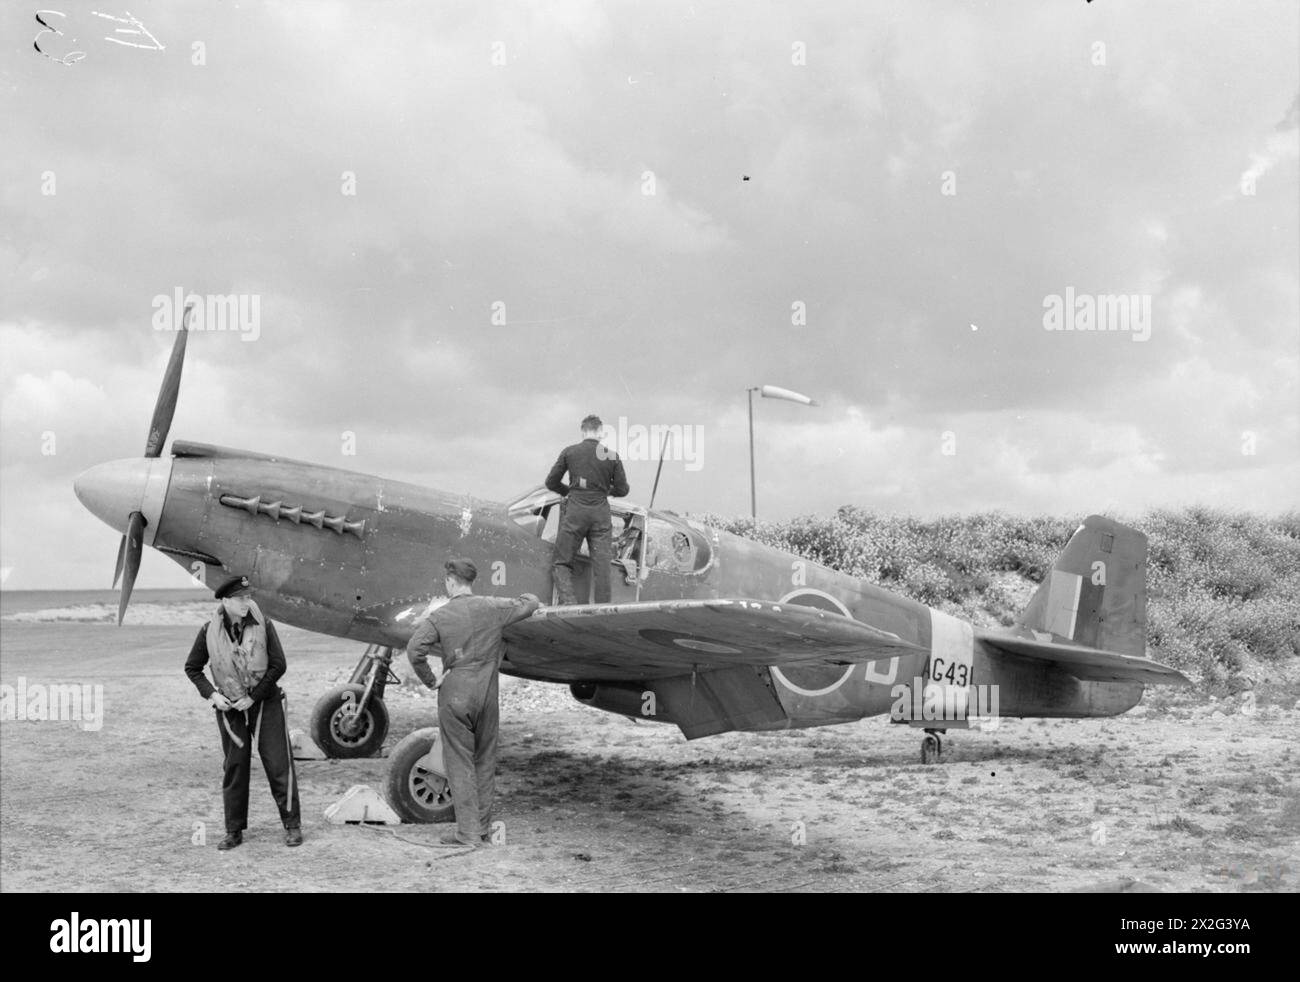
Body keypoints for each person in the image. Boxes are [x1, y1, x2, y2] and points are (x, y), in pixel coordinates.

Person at [406, 559, 540, 847]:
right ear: (471, 582)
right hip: (488, 693)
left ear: (451, 582)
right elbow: (531, 602)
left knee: (459, 762)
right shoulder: (492, 607)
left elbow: (415, 649)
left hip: (455, 692)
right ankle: (481, 829)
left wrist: (431, 680)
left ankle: (467, 835)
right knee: (485, 760)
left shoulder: (440, 616)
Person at [184, 575, 302, 850]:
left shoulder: (264, 625)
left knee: (278, 764)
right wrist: (213, 695)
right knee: (235, 767)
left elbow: (278, 665)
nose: (247, 603)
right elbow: (193, 667)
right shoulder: (207, 631)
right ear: (225, 601)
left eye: (248, 597)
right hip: (230, 708)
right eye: (240, 599)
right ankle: (233, 831)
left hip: (264, 703)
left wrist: (254, 697)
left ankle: (293, 826)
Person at [545, 414, 630, 604]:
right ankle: (602, 611)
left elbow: (550, 482)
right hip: (600, 513)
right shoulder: (611, 456)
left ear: (583, 431)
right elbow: (623, 489)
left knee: (561, 562)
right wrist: (605, 491)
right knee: (602, 567)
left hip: (576, 511)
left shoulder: (570, 452)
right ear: (600, 432)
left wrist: (570, 491)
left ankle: (569, 604)